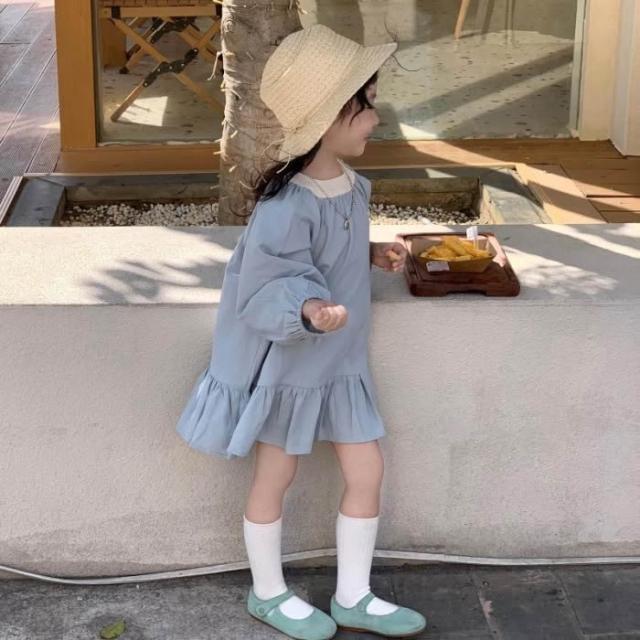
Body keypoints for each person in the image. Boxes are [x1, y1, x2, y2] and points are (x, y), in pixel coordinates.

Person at [176, 23, 427, 639]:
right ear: (331, 116)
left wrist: (368, 254)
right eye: (366, 106)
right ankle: (267, 593)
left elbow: (326, 252)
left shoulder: (350, 187)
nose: (376, 119)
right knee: (275, 477)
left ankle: (353, 595)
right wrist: (311, 308)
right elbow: (266, 285)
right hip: (292, 368)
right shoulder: (287, 205)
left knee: (368, 472)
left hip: (341, 364)